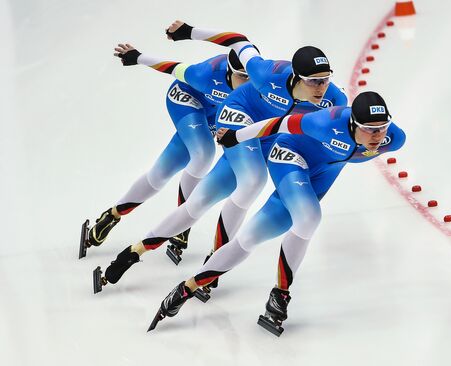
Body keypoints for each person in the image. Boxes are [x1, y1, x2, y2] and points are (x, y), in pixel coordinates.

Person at [92, 21, 347, 293]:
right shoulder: (263, 74)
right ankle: (211, 259)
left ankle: (134, 252)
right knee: (252, 180)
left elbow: (344, 126)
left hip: (265, 135)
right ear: (297, 77)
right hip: (238, 116)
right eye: (314, 81)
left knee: (200, 201)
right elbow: (238, 40)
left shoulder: (334, 99)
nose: (321, 88)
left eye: (325, 79)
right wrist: (186, 33)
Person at [148, 91, 406, 336]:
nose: (376, 135)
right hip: (290, 157)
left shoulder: (394, 138)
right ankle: (281, 294)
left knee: (250, 238)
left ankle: (186, 288)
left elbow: (373, 139)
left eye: (381, 128)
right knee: (309, 218)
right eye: (369, 129)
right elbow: (280, 124)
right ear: (352, 123)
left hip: (322, 175)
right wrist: (236, 137)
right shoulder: (326, 123)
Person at [80, 44, 249, 264]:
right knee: (204, 153)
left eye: (250, 77)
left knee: (161, 172)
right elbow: (172, 67)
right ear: (229, 72)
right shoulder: (205, 74)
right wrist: (138, 57)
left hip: (213, 112)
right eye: (242, 77)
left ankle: (112, 214)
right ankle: (183, 221)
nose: (248, 83)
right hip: (185, 99)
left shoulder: (256, 80)